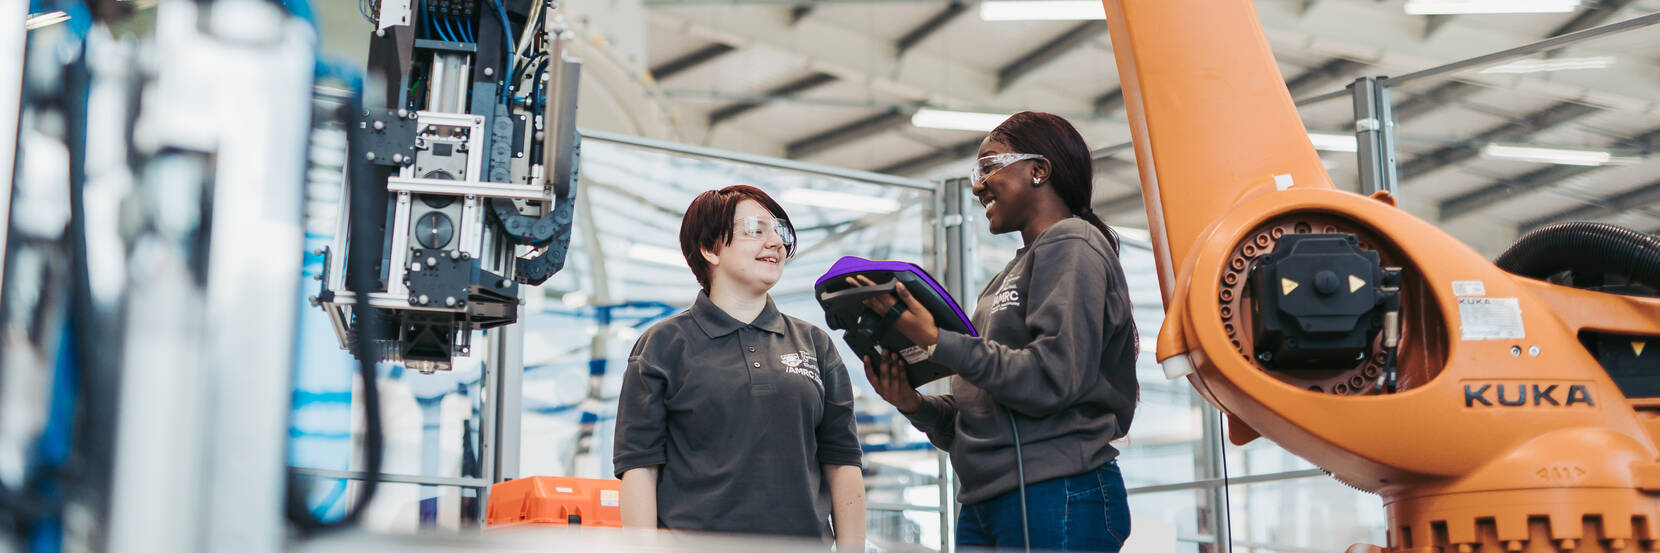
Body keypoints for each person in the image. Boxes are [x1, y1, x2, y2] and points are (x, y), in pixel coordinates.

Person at [854, 111, 1138, 552]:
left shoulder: (1073, 243)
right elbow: (986, 412)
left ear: (1039, 170)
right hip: (989, 501)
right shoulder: (1006, 277)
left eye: (989, 166)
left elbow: (1053, 379)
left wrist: (939, 341)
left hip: (1055, 490)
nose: (977, 184)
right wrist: (915, 405)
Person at [613, 185, 866, 550]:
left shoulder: (815, 344)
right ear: (709, 248)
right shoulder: (663, 345)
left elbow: (842, 461)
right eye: (755, 229)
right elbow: (639, 467)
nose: (775, 243)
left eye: (778, 230)